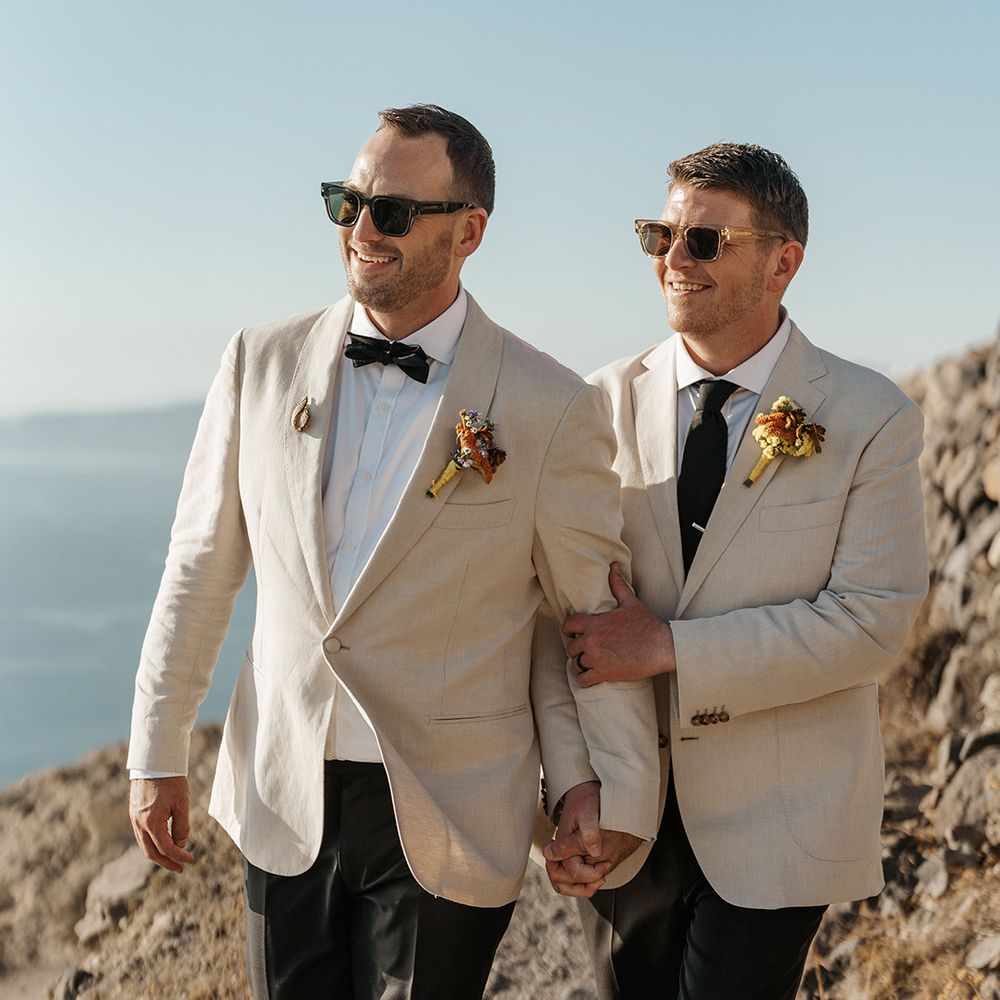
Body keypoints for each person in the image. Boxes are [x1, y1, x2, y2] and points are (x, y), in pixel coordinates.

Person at [126, 104, 659, 1000]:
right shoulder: (257, 361)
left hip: (451, 808)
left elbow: (590, 619)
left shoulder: (550, 405)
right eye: (349, 201)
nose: (361, 229)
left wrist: (609, 789)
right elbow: (199, 566)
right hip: (280, 789)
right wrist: (157, 747)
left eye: (394, 212)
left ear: (470, 231)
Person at [544, 142, 929, 999]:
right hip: (622, 803)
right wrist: (572, 781)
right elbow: (552, 615)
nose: (674, 260)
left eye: (705, 241)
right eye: (661, 234)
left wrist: (672, 649)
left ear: (785, 262)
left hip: (780, 822)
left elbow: (871, 624)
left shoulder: (871, 418)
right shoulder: (593, 407)